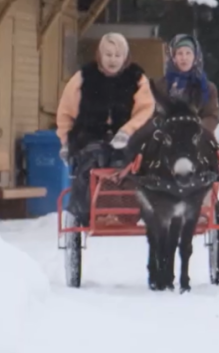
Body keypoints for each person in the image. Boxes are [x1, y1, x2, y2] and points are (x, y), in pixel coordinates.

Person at [56, 32, 155, 224]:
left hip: (127, 137)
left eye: (118, 55)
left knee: (125, 164)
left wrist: (127, 131)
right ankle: (90, 212)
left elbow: (146, 111)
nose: (113, 60)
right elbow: (65, 112)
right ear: (100, 55)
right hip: (89, 135)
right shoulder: (83, 77)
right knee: (93, 161)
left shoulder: (137, 78)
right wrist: (66, 141)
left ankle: (126, 211)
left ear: (125, 57)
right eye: (108, 55)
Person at [153, 34, 219, 134]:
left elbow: (211, 115)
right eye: (179, 53)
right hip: (167, 135)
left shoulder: (207, 88)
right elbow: (154, 113)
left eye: (188, 53)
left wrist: (197, 130)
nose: (184, 58)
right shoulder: (161, 85)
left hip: (198, 136)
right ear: (173, 57)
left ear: (195, 57)